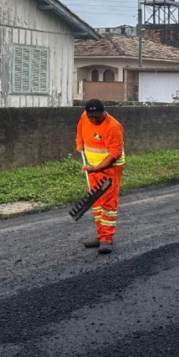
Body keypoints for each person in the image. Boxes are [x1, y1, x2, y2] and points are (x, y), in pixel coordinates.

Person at [75, 99, 125, 255]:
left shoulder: (113, 127)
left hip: (110, 169)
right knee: (95, 202)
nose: (94, 120)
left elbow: (114, 155)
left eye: (97, 116)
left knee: (108, 204)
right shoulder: (85, 117)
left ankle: (106, 239)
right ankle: (100, 235)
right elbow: (81, 128)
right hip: (92, 167)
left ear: (104, 112)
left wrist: (96, 168)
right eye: (92, 117)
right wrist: (79, 142)